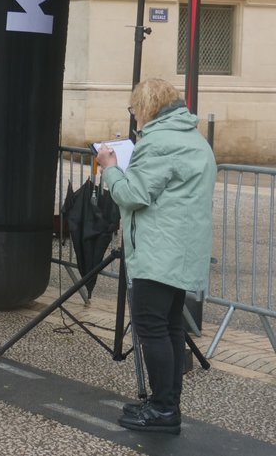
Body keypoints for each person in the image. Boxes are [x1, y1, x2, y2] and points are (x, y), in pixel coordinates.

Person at [96, 79, 215, 435]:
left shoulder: (159, 142)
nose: (134, 117)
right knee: (171, 328)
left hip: (158, 251)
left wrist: (110, 167)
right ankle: (166, 402)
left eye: (134, 109)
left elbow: (133, 195)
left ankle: (164, 409)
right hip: (181, 251)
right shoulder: (193, 138)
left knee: (152, 329)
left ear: (146, 107)